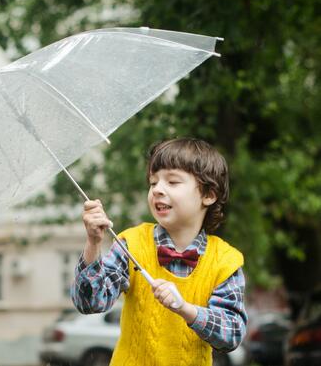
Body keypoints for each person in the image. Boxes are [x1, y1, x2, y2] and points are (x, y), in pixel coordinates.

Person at [71, 138, 247, 366]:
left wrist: (185, 309)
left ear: (209, 195)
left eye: (172, 182)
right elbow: (90, 303)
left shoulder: (225, 261)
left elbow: (231, 334)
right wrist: (93, 243)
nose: (158, 190)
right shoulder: (131, 243)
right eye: (153, 183)